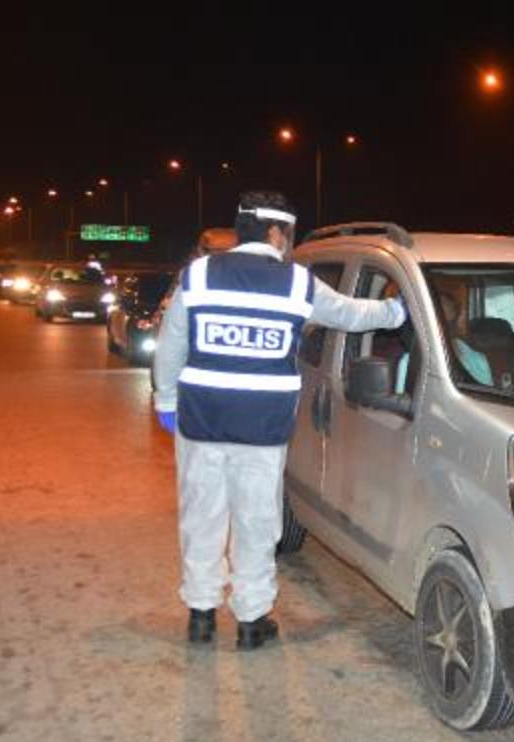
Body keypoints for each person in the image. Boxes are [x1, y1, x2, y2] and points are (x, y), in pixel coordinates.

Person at [152, 191, 406, 650]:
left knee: (202, 518)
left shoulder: (199, 275)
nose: (288, 243)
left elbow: (171, 346)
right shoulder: (296, 284)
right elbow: (351, 314)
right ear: (275, 232)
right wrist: (397, 309)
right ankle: (251, 622)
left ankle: (201, 616)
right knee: (257, 521)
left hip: (202, 422)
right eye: (287, 234)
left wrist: (166, 401)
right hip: (262, 429)